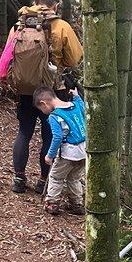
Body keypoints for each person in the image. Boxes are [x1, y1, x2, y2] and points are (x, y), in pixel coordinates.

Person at [8, 0, 83, 193]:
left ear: (35, 1)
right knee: (50, 135)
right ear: (56, 5)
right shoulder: (61, 26)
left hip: (26, 89)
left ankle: (19, 179)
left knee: (24, 132)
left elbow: (9, 55)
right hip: (52, 91)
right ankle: (43, 181)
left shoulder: (19, 25)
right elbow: (74, 59)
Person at [33, 80, 86, 216]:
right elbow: (82, 105)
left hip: (68, 153)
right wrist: (76, 96)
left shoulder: (55, 116)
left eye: (41, 109)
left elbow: (57, 137)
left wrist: (50, 155)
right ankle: (76, 204)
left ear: (43, 103)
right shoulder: (75, 106)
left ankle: (52, 203)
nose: (43, 112)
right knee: (74, 178)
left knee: (56, 177)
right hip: (84, 151)